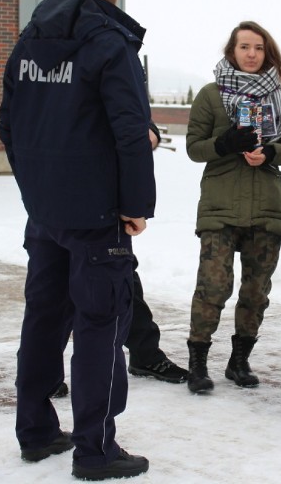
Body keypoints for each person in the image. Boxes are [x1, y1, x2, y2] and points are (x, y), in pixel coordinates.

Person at [0, 0, 153, 481]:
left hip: (46, 213)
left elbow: (8, 124)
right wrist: (136, 205)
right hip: (95, 217)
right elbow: (131, 132)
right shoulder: (110, 42)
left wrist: (36, 189)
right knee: (100, 324)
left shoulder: (30, 39)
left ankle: (35, 431)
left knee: (43, 318)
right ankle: (96, 449)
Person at [184, 20, 281, 394]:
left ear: (267, 53)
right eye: (244, 47)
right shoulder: (211, 95)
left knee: (255, 293)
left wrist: (270, 153)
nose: (251, 54)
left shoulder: (279, 96)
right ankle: (198, 361)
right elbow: (194, 147)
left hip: (266, 209)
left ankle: (239, 361)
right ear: (232, 51)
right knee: (213, 287)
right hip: (220, 208)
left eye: (259, 48)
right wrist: (224, 143)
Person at [53, 125, 188, 400]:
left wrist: (148, 130)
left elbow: (133, 116)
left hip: (101, 194)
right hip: (67, 191)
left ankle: (145, 354)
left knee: (122, 280)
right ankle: (45, 371)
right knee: (59, 282)